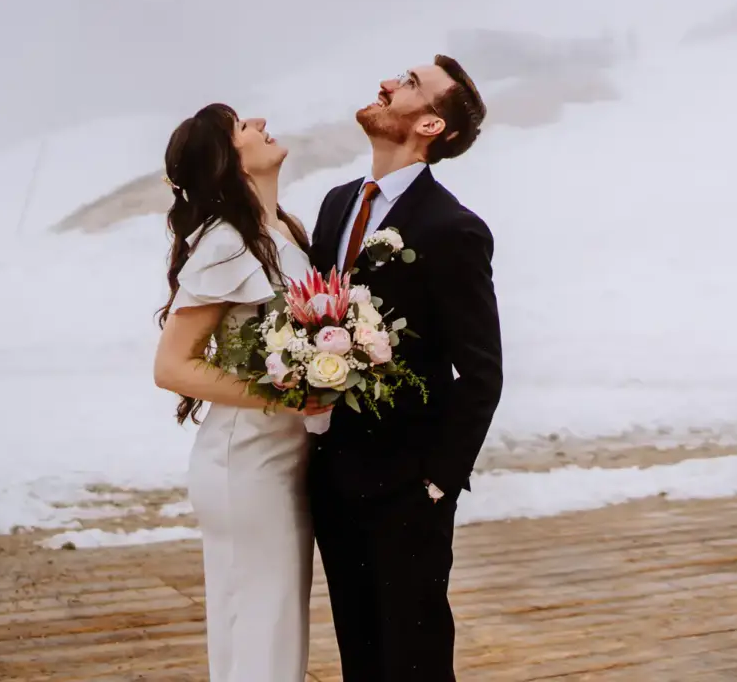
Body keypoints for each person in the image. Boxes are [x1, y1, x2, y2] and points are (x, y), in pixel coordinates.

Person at [308, 57, 504, 682]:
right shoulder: (337, 205)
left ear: (428, 123)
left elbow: (481, 373)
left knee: (414, 663)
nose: (387, 82)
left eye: (409, 84)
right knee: (359, 659)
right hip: (333, 480)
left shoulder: (453, 229)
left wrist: (437, 486)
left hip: (407, 491)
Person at [151, 103, 325, 682]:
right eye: (239, 127)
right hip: (245, 463)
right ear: (228, 159)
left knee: (268, 628)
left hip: (281, 460)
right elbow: (172, 366)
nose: (258, 121)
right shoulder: (226, 244)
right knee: (260, 629)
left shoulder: (282, 232)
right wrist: (287, 399)